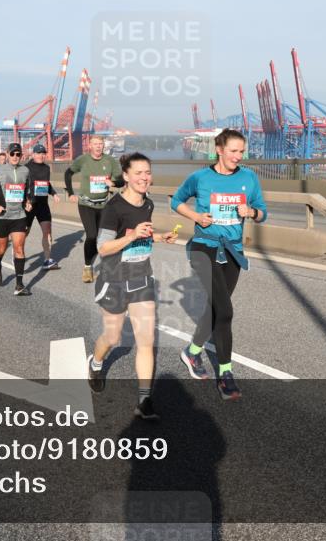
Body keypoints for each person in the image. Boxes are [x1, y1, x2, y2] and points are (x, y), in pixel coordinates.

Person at [171, 129, 267, 401]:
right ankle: (225, 374)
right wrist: (196, 216)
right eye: (233, 151)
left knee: (214, 309)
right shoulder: (201, 177)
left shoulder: (249, 178)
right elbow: (177, 201)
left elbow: (263, 212)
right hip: (204, 248)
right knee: (225, 311)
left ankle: (191, 353)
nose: (238, 156)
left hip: (233, 252)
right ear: (219, 150)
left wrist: (252, 212)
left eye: (242, 151)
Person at [87, 153, 176, 420]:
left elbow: (141, 237)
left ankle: (144, 401)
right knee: (112, 338)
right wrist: (133, 235)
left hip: (141, 278)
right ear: (125, 176)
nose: (144, 178)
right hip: (114, 280)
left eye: (147, 172)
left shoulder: (148, 203)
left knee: (146, 341)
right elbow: (103, 248)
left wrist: (157, 237)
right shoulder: (114, 208)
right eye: (138, 173)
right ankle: (96, 363)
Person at [65, 134, 124, 283]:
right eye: (96, 144)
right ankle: (87, 267)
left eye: (101, 144)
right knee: (91, 235)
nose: (98, 146)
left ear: (104, 146)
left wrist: (113, 183)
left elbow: (122, 181)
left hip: (104, 205)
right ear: (90, 146)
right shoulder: (83, 160)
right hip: (86, 205)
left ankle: (105, 266)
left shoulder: (110, 161)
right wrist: (70, 193)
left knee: (102, 238)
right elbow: (68, 173)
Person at [0, 142, 33, 296]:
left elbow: (27, 190)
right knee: (1, 248)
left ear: (21, 156)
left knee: (19, 248)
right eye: (12, 153)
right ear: (7, 154)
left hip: (19, 215)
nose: (15, 156)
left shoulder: (25, 170)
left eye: (18, 154)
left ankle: (19, 285)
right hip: (2, 216)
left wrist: (28, 201)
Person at [25, 143, 61, 270]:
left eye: (43, 153)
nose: (41, 155)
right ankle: (17, 253)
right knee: (25, 232)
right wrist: (25, 201)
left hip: (42, 204)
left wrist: (54, 193)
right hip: (29, 205)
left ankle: (47, 260)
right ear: (33, 154)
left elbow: (46, 184)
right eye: (38, 153)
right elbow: (21, 185)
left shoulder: (46, 168)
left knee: (47, 232)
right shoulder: (26, 168)